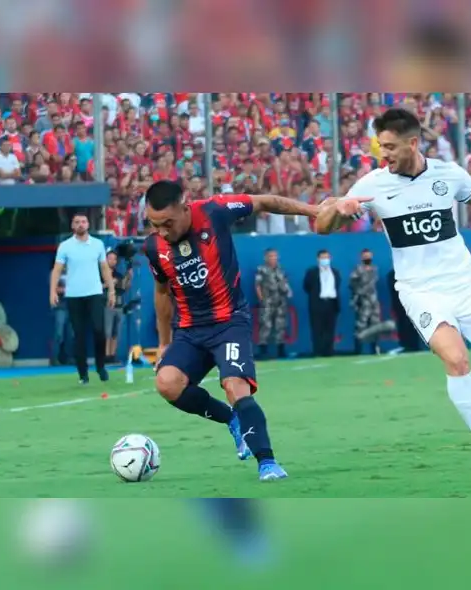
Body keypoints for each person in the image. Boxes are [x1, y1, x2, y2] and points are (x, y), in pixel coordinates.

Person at [315, 107, 471, 471]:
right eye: (381, 147)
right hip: (420, 291)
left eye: (391, 147)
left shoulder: (448, 174)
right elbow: (322, 225)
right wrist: (339, 210)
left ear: (413, 143)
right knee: (457, 359)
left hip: (465, 283)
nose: (384, 154)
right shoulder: (372, 185)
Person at [142, 180, 367, 481]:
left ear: (185, 208)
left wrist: (315, 210)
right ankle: (231, 421)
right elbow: (161, 293)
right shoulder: (154, 247)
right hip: (190, 330)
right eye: (155, 225)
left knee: (235, 386)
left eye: (168, 223)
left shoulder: (215, 211)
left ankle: (268, 462)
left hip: (229, 323)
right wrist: (164, 343)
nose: (163, 232)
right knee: (167, 384)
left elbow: (267, 201)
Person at [50, 212, 116, 384]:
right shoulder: (65, 246)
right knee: (78, 335)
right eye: (77, 222)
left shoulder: (97, 244)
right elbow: (57, 270)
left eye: (84, 221)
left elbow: (104, 268)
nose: (81, 224)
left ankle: (101, 366)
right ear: (72, 226)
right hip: (74, 295)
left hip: (94, 293)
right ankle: (83, 373)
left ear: (88, 224)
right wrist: (52, 291)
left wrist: (111, 291)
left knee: (99, 330)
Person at [302, 250, 341, 357]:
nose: (325, 260)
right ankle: (317, 351)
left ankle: (329, 351)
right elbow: (306, 286)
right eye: (323, 257)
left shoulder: (335, 272)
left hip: (331, 303)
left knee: (330, 329)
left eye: (327, 257)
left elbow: (337, 285)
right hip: (318, 303)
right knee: (317, 329)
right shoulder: (312, 272)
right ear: (318, 259)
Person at [254, 248, 292, 359]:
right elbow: (257, 285)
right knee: (265, 325)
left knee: (281, 325)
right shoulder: (261, 269)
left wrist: (288, 292)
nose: (273, 258)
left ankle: (281, 350)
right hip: (267, 302)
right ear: (265, 257)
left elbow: (285, 283)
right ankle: (263, 351)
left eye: (275, 256)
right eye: (270, 256)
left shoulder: (281, 269)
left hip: (280, 302)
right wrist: (261, 299)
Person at [350, 248, 382, 354]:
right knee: (360, 326)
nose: (367, 258)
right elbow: (352, 285)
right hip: (363, 302)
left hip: (373, 302)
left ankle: (375, 348)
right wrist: (358, 296)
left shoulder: (374, 269)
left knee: (375, 326)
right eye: (365, 256)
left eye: (369, 256)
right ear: (361, 257)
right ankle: (358, 350)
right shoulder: (357, 269)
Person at [104, 249, 132, 362]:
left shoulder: (118, 275)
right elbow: (96, 287)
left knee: (116, 332)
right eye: (109, 258)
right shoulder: (100, 274)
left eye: (114, 259)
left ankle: (112, 355)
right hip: (106, 306)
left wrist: (129, 277)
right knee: (107, 332)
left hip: (119, 306)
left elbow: (124, 288)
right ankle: (106, 356)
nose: (112, 261)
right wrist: (109, 283)